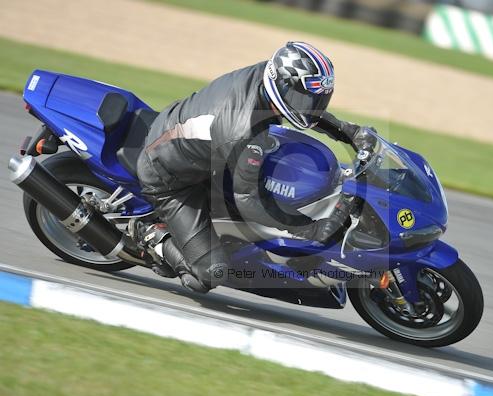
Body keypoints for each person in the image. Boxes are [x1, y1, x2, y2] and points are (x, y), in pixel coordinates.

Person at [137, 41, 375, 292]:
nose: (311, 105)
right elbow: (248, 200)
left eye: (318, 99)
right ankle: (151, 235)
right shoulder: (243, 131)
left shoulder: (268, 76)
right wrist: (310, 229)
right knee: (210, 273)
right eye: (304, 98)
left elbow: (303, 108)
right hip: (170, 179)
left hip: (197, 148)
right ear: (281, 86)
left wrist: (350, 132)